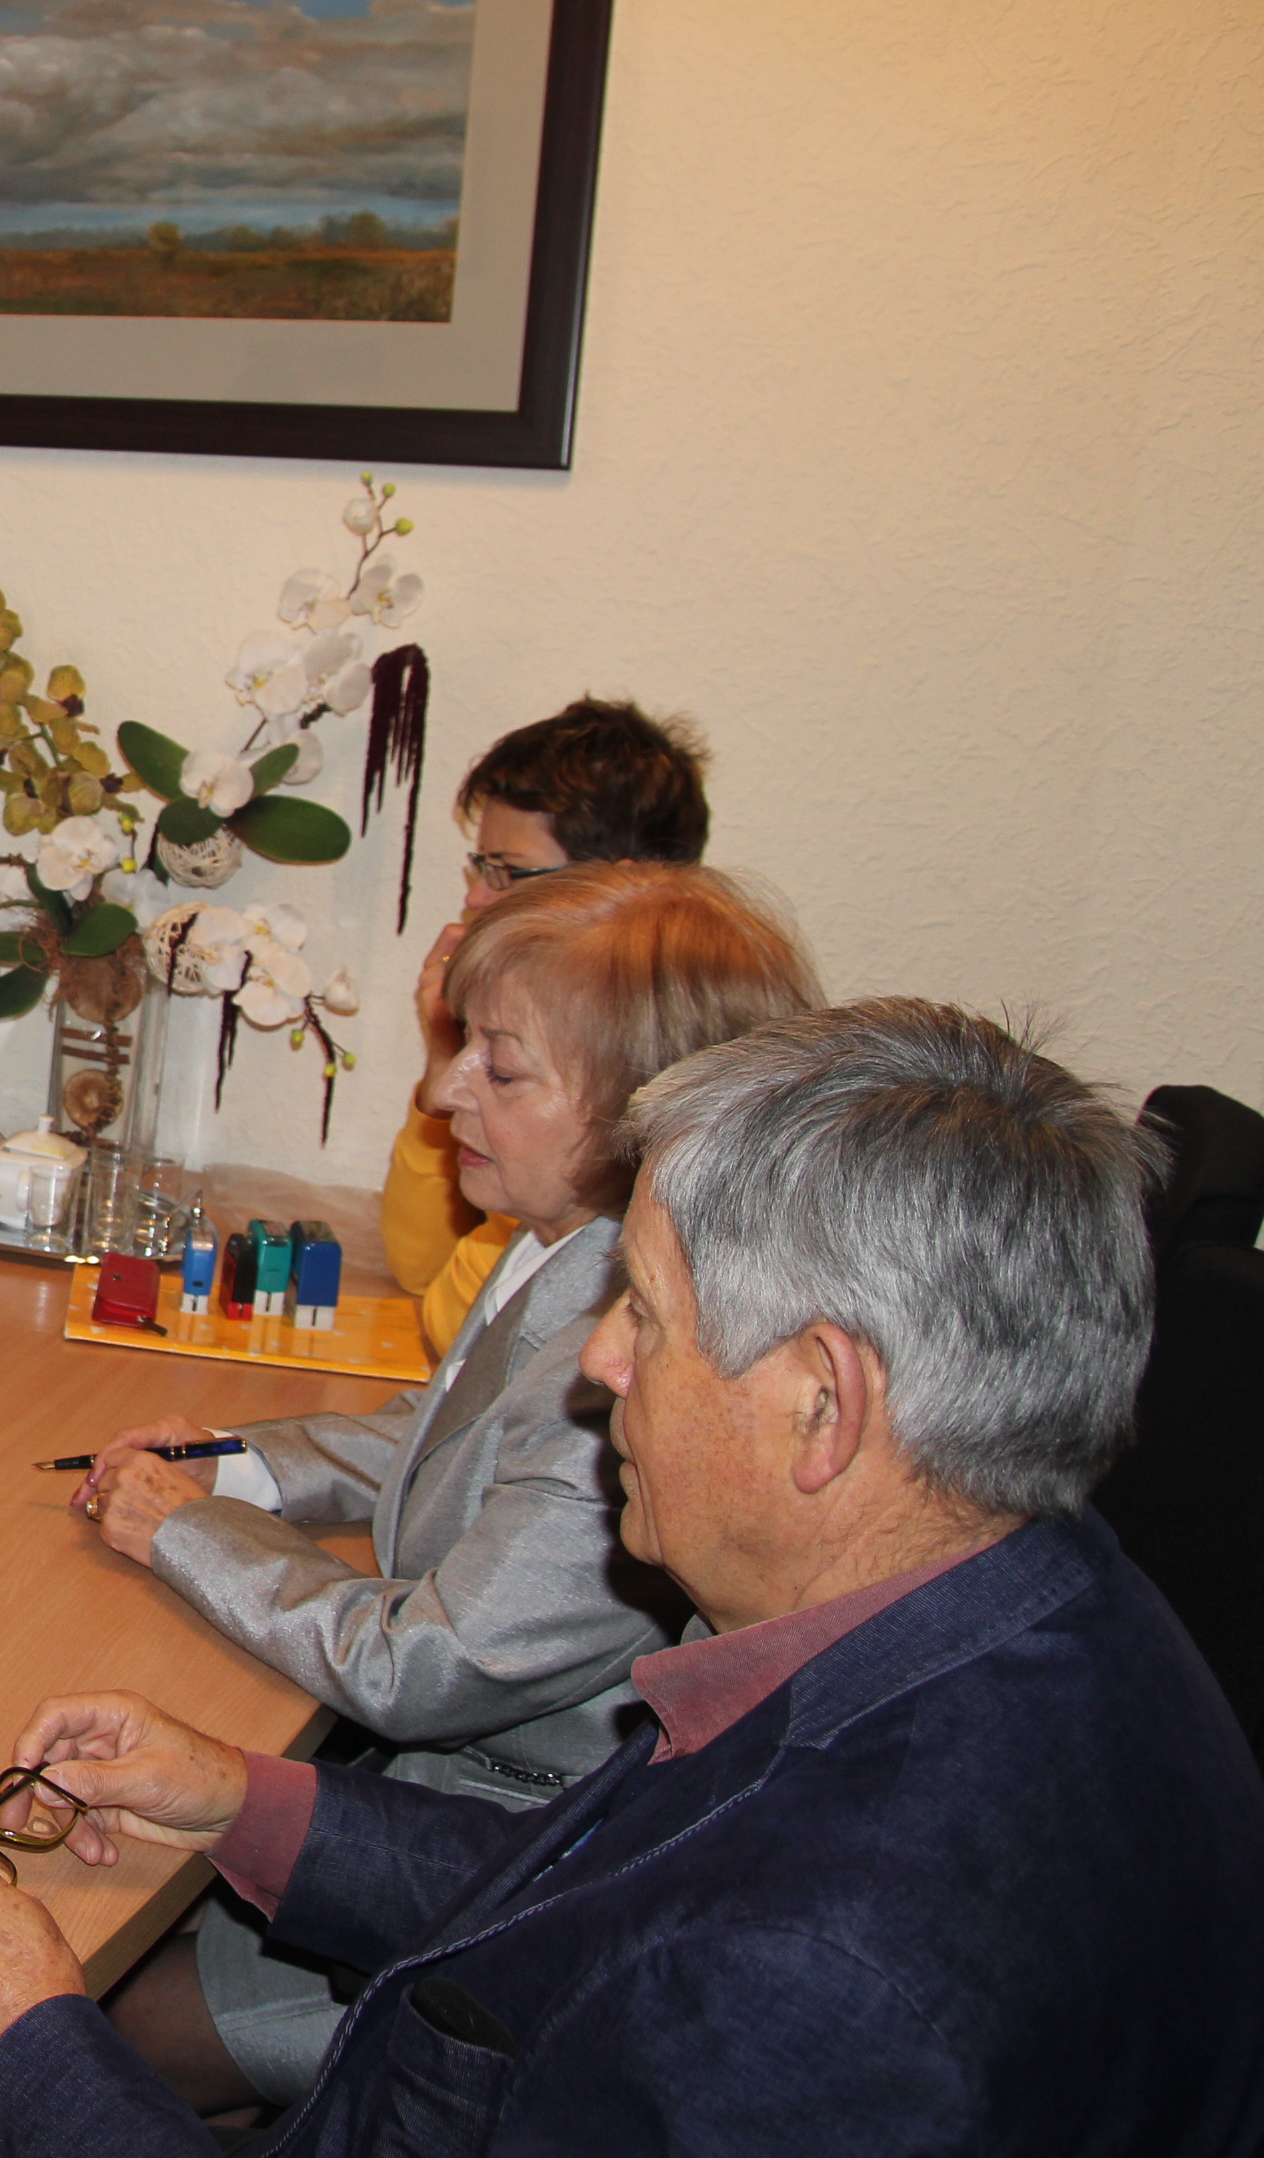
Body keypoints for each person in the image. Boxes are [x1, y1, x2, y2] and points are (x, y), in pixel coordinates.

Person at [0, 1001, 1264, 2154]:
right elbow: (615, 1901)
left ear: (823, 1406)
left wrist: (24, 2048)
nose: (599, 1364)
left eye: (643, 1314)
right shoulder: (1048, 1608)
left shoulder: (816, 1984)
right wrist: (252, 1801)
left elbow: (703, 1957)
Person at [75, 862, 817, 2114]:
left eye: (500, 1069)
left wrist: (191, 1532)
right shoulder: (566, 1247)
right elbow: (440, 1434)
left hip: (495, 1886)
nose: (438, 1091)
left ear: (647, 1114)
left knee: (102, 2014)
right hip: (424, 1812)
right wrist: (235, 1464)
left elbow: (423, 1665)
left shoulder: (639, 1359)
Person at [385, 699, 710, 1354]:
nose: (477, 897)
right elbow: (418, 1266)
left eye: (507, 871)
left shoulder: (644, 1081)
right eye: (481, 866)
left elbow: (463, 1323)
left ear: (617, 886)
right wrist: (449, 1047)